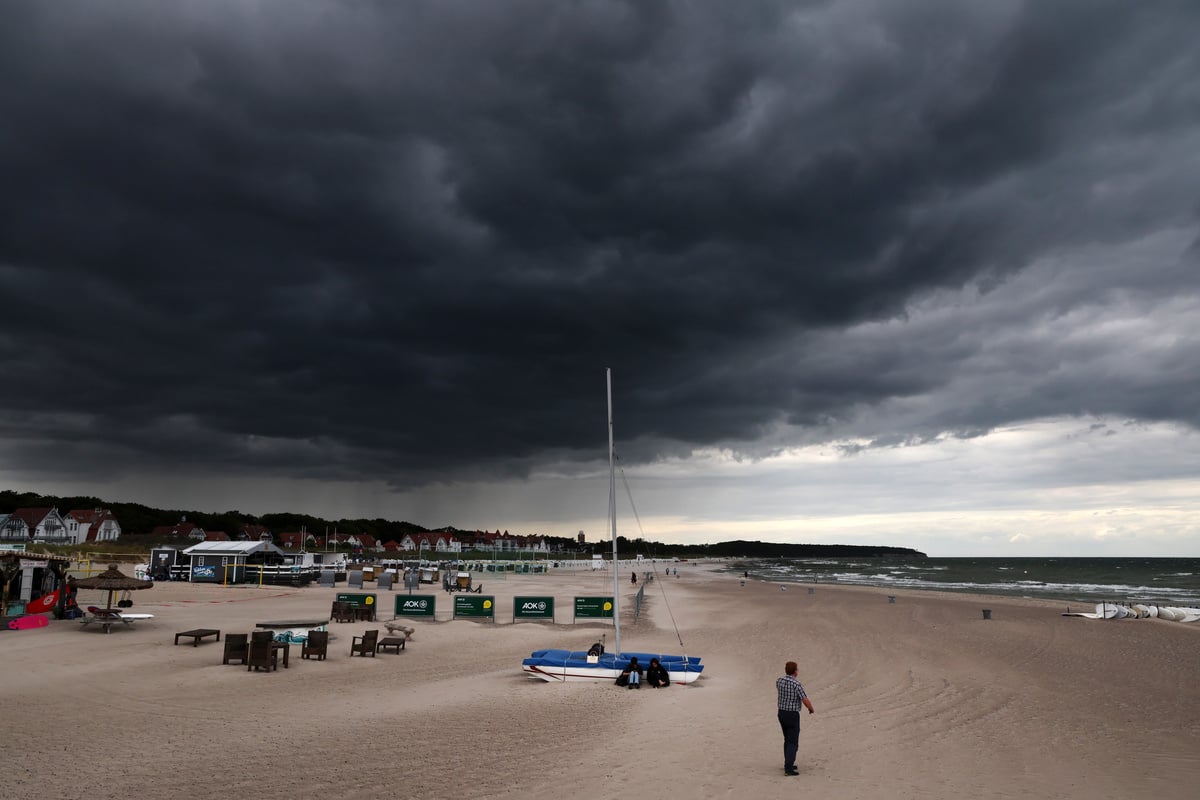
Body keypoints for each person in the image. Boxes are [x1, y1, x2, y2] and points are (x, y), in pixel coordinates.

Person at [776, 660, 815, 776]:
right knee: (793, 741)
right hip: (792, 714)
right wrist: (811, 708)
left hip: (781, 713)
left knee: (787, 739)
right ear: (795, 672)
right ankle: (788, 768)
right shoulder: (796, 684)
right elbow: (804, 699)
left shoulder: (779, 681)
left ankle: (788, 762)